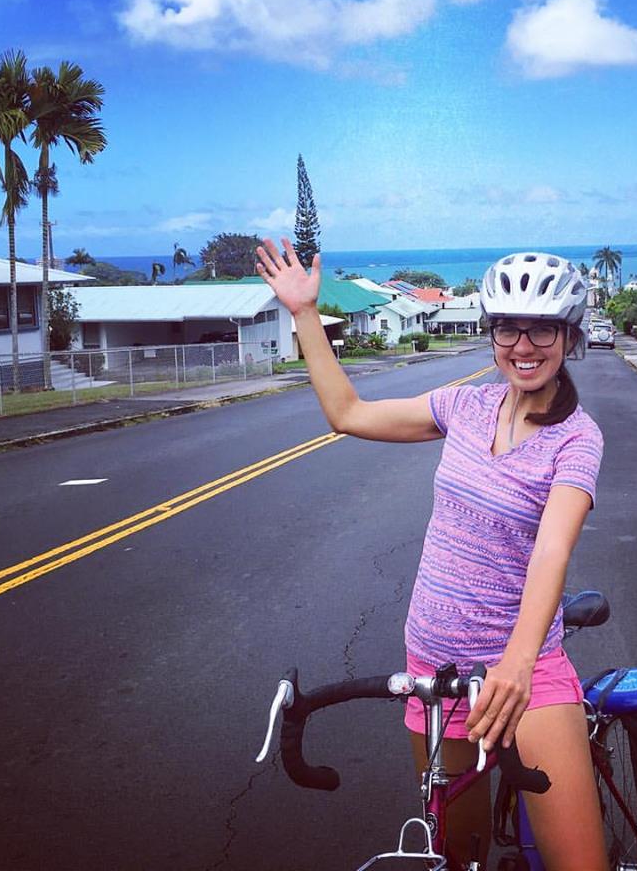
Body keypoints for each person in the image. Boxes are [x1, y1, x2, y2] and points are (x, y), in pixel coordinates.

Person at [256, 241, 607, 871]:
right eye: (508, 327)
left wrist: (518, 663)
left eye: (543, 329)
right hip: (435, 668)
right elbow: (348, 412)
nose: (523, 345)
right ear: (490, 331)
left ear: (569, 335)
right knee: (460, 857)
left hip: (525, 669)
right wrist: (305, 314)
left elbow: (553, 548)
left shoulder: (577, 439)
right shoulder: (464, 406)